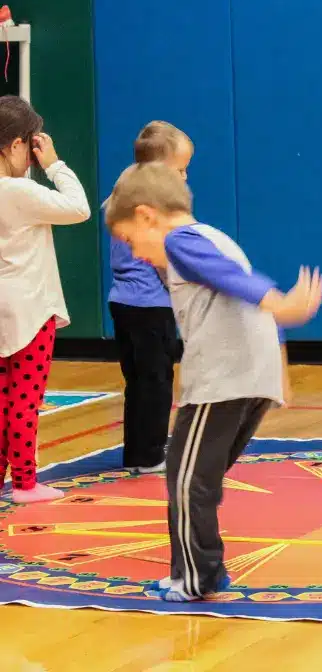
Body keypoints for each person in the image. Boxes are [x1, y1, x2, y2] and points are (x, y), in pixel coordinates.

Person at [104, 162, 322, 601]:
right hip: (250, 379)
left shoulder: (179, 241)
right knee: (198, 478)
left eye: (130, 241)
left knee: (187, 481)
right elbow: (241, 286)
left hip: (224, 380)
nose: (136, 255)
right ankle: (201, 569)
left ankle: (196, 578)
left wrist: (279, 303)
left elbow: (237, 282)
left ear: (147, 215)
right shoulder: (213, 238)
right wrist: (280, 366)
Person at [0, 95, 91, 502]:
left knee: (3, 399)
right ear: (17, 144)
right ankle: (25, 482)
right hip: (32, 308)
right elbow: (79, 208)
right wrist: (55, 165)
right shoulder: (20, 191)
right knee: (25, 400)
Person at [108, 121, 193, 474]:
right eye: (180, 170)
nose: (185, 177)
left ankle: (138, 450)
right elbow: (161, 259)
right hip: (149, 305)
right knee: (156, 381)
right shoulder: (154, 206)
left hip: (122, 303)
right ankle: (151, 454)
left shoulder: (122, 193)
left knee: (138, 381)